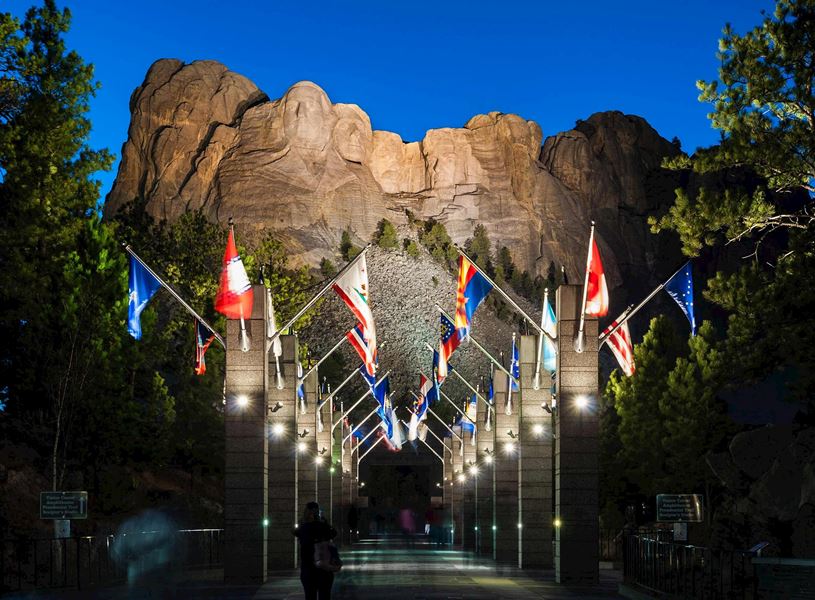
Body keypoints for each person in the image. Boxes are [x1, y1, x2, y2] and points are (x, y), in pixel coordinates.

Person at [293, 501, 337, 600]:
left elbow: (295, 532)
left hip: (308, 569)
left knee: (310, 596)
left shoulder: (304, 528)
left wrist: (303, 520)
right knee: (325, 596)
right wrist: (325, 522)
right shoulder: (324, 526)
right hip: (324, 568)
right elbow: (334, 533)